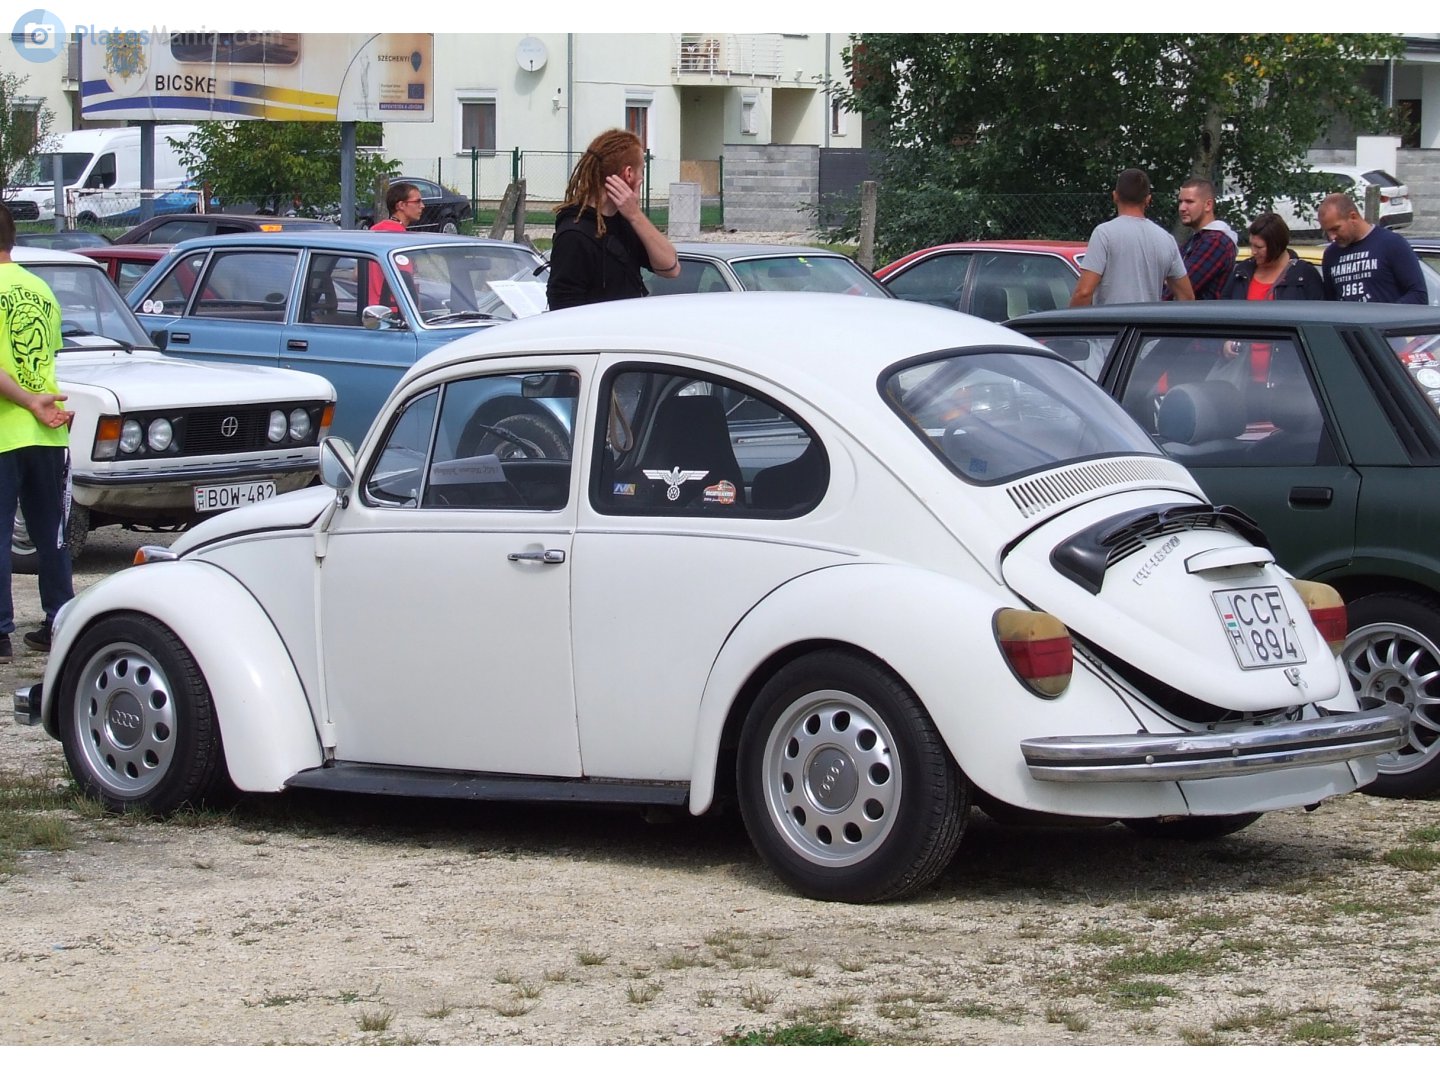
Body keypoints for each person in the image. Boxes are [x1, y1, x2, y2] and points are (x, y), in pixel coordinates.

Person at [0, 203, 75, 658]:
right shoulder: (40, 289)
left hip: (6, 431)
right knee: (51, 535)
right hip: (48, 432)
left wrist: (26, 401)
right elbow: (45, 359)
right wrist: (37, 401)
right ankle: (59, 621)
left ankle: (0, 632)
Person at [546, 129, 681, 310]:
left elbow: (671, 267)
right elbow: (563, 307)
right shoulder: (574, 234)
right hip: (599, 328)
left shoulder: (626, 221)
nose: (642, 178)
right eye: (642, 171)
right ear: (629, 174)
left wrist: (635, 215)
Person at [1070, 168, 1195, 306]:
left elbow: (1084, 292)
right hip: (1149, 320)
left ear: (1115, 196)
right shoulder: (1167, 240)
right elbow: (1187, 297)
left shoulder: (1104, 234)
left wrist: (1070, 319)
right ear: (1148, 199)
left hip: (1112, 319)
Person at [1318, 192, 1426, 304]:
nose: (1332, 237)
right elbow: (1330, 303)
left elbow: (1418, 295)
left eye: (1335, 229)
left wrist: (1386, 313)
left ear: (1353, 217)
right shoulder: (1331, 255)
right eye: (1327, 232)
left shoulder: (1390, 243)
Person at [1222, 212, 1324, 301]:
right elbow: (1225, 306)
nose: (1253, 252)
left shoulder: (1305, 274)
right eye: (1251, 245)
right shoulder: (1241, 271)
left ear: (1277, 245)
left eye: (1259, 247)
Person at [1168, 177, 1236, 300]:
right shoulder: (1198, 239)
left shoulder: (1216, 241)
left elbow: (1182, 287)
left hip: (1203, 312)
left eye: (1189, 202)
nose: (1182, 208)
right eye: (1180, 202)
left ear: (1208, 205)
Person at [368, 182, 424, 311]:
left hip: (372, 311)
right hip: (395, 312)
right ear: (401, 205)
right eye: (417, 201)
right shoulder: (402, 238)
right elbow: (407, 282)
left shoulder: (374, 230)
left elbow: (356, 274)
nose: (422, 206)